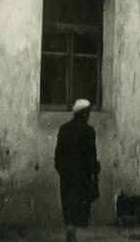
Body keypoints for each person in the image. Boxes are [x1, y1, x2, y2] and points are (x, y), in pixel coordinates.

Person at [54, 99, 100, 242]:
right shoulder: (89, 131)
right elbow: (92, 155)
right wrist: (95, 172)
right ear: (84, 114)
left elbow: (58, 154)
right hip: (82, 176)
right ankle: (72, 231)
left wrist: (60, 169)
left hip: (66, 176)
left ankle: (69, 228)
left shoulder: (63, 129)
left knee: (68, 203)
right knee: (79, 205)